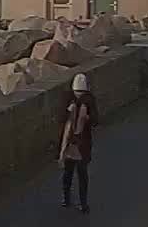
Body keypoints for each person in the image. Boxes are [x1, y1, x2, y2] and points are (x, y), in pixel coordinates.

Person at [59, 73, 98, 212]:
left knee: (70, 172)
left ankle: (68, 198)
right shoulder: (89, 100)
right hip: (81, 143)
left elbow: (61, 120)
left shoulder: (69, 99)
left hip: (73, 143)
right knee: (79, 174)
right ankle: (80, 202)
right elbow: (96, 121)